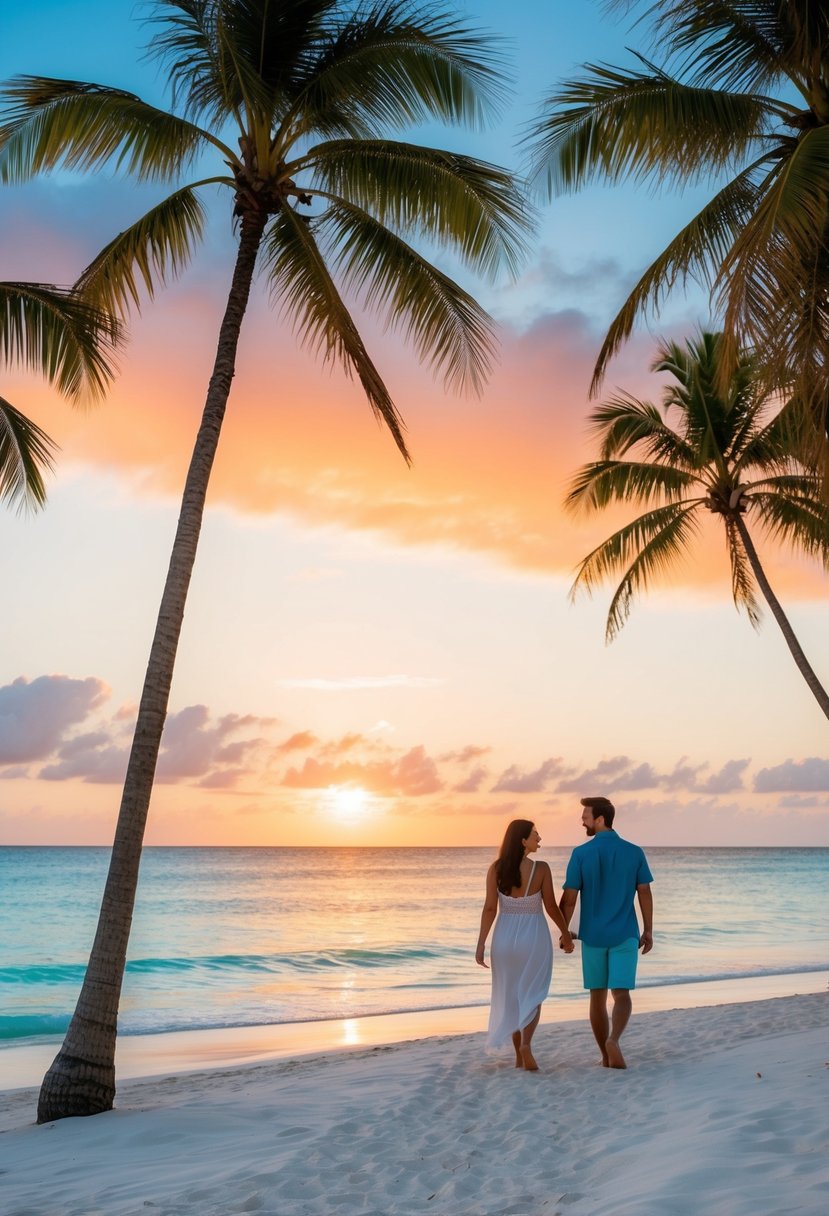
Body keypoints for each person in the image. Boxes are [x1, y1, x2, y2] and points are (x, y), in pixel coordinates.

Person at [559, 796, 653, 1070]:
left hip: (593, 936)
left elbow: (569, 899)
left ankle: (604, 1055)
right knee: (621, 994)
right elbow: (644, 892)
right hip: (625, 933)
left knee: (597, 998)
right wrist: (648, 930)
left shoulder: (581, 854)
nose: (582, 821)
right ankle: (614, 1040)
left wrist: (565, 933)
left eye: (586, 816)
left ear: (600, 819)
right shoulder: (634, 852)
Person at [476, 819, 574, 1070]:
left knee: (511, 995)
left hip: (504, 938)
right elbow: (551, 906)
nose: (539, 839)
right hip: (533, 937)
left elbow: (489, 908)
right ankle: (526, 1045)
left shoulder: (496, 869)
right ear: (522, 840)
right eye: (535, 834)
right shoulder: (540, 869)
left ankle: (519, 1057)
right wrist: (566, 934)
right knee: (533, 993)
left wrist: (481, 944)